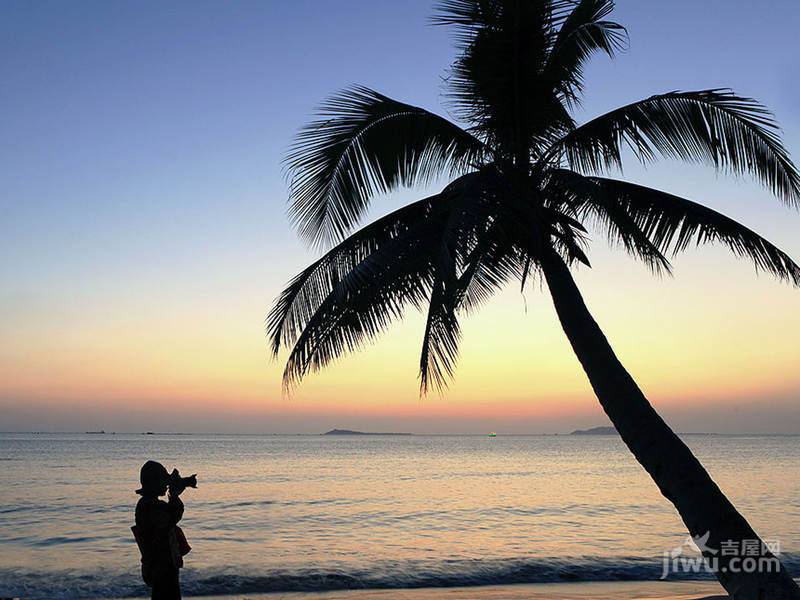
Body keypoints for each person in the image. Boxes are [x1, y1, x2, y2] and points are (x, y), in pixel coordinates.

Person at [134, 460, 187, 600]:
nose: (166, 484)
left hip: (160, 564)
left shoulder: (148, 504)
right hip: (161, 565)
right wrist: (174, 496)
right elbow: (172, 517)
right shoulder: (150, 506)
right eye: (163, 480)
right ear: (154, 483)